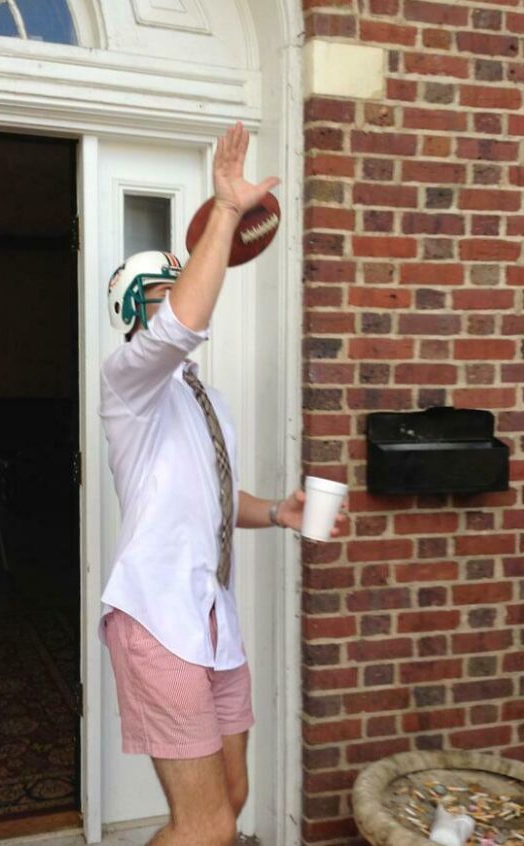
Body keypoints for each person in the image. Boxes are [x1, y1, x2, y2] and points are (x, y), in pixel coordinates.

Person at [99, 122, 344, 846]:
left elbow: (210, 500)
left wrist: (279, 511)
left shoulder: (203, 397)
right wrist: (227, 212)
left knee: (231, 798)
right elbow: (184, 322)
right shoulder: (128, 383)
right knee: (204, 825)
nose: (188, 289)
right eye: (171, 284)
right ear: (141, 305)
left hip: (211, 617)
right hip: (156, 618)